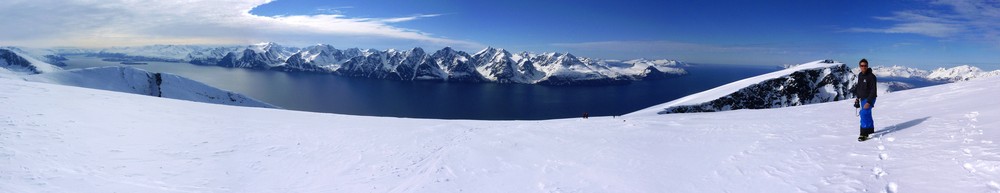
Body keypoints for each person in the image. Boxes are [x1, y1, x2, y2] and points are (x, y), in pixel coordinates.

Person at [854, 58, 878, 141]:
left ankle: (864, 133)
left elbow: (873, 90)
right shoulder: (860, 75)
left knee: (863, 113)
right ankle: (870, 130)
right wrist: (857, 98)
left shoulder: (871, 77)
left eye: (865, 66)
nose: (863, 67)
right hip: (863, 99)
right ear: (859, 66)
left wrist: (869, 102)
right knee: (867, 114)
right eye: (862, 65)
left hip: (870, 99)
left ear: (867, 66)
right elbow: (859, 88)